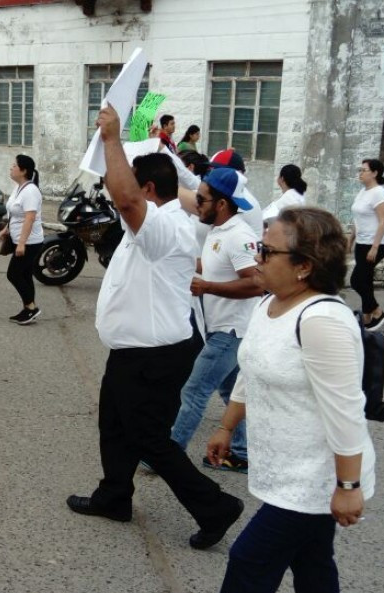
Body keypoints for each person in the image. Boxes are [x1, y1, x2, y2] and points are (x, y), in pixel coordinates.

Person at [66, 105, 243, 550]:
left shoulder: (163, 226)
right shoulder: (163, 217)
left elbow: (128, 200)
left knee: (148, 438)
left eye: (126, 183)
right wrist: (140, 145)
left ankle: (215, 506)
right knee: (114, 424)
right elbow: (154, 190)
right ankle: (114, 496)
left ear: (146, 190)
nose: (116, 191)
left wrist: (112, 139)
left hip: (154, 355)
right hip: (135, 350)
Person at [205, 207, 374, 593]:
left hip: (316, 476)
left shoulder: (322, 320)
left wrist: (349, 486)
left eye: (267, 250)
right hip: (284, 466)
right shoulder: (269, 304)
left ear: (304, 266)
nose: (256, 257)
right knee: (313, 564)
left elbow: (345, 410)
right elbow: (252, 369)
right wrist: (226, 426)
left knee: (249, 560)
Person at [171, 167, 262, 473]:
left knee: (194, 390)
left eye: (202, 199)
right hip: (220, 328)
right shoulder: (218, 231)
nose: (196, 204)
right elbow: (213, 265)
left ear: (221, 204)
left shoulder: (239, 236)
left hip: (232, 331)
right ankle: (240, 453)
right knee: (230, 392)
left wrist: (208, 287)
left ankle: (169, 454)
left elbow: (257, 283)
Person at [0, 154, 43, 324]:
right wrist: (5, 230)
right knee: (25, 274)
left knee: (14, 274)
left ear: (23, 171)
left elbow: (29, 218)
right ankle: (28, 309)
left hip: (30, 242)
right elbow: (15, 214)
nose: (11, 167)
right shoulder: (19, 188)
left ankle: (31, 308)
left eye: (14, 165)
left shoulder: (30, 191)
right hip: (20, 239)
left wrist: (21, 244)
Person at [349, 159, 384, 330]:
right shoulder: (363, 191)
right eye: (360, 170)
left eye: (364, 170)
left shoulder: (379, 193)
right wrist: (351, 239)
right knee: (365, 279)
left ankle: (377, 311)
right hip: (362, 241)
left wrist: (375, 247)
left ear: (375, 173)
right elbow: (357, 218)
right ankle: (367, 317)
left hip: (376, 243)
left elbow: (383, 221)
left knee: (356, 280)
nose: (360, 173)